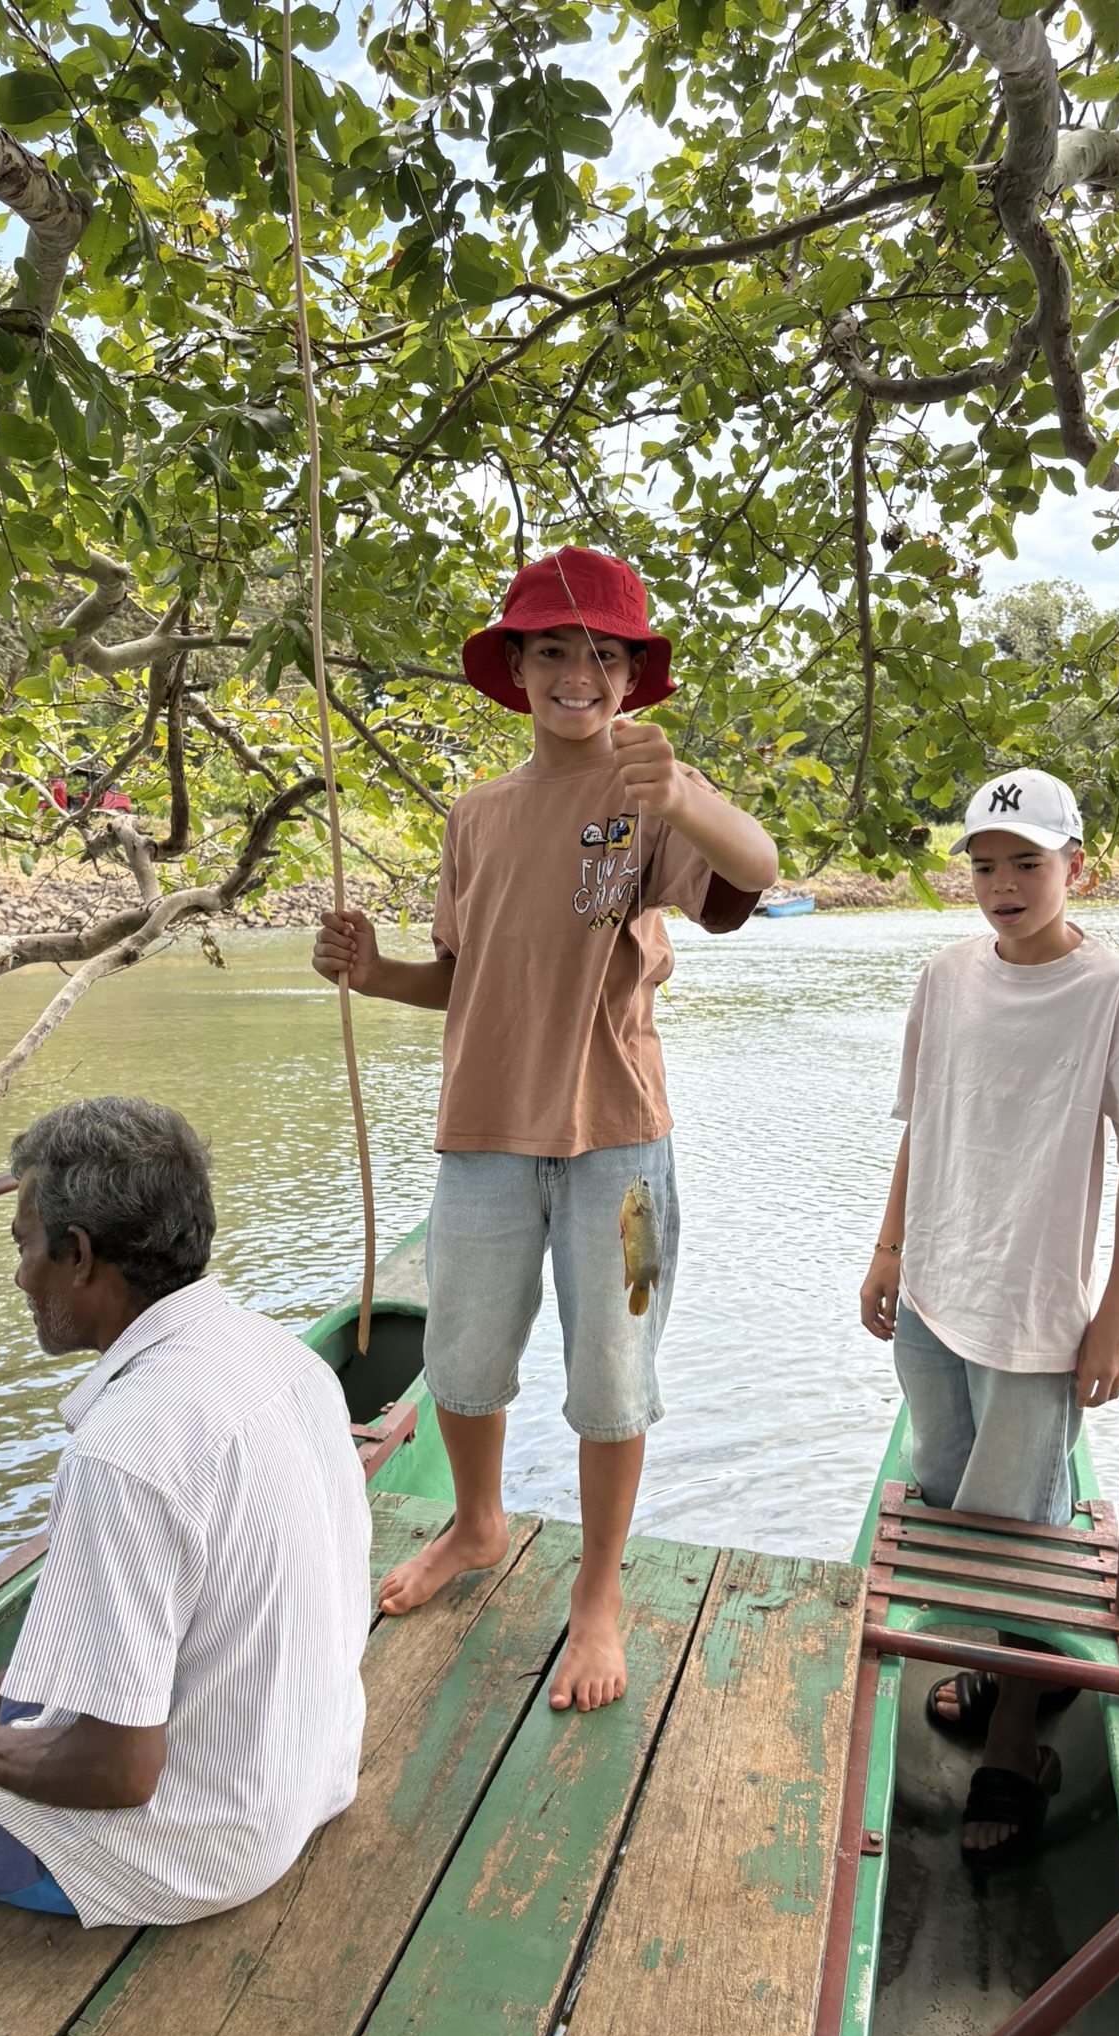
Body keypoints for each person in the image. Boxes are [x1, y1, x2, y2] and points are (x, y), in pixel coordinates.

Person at [314, 548, 777, 1713]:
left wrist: (685, 797)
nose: (581, 672)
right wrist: (376, 975)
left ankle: (600, 1594)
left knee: (612, 1377)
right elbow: (462, 980)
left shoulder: (650, 788)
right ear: (516, 667)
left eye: (606, 654)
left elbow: (756, 871)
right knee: (463, 1364)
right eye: (557, 649)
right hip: (479, 1139)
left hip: (620, 1146)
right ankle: (476, 1527)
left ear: (633, 677)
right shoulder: (474, 816)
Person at [0, 1096, 371, 1928]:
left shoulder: (125, 1448)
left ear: (77, 1255)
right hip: (308, 1772)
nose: (18, 1276)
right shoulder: (281, 1359)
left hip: (198, 1847)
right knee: (12, 1693)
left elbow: (120, 1774)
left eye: (25, 1247)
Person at [859, 769, 1119, 1871]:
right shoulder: (945, 974)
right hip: (938, 1299)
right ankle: (1002, 1669)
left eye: (1027, 861)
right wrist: (890, 1246)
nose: (1002, 883)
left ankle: (1011, 1744)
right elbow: (919, 1120)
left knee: (1022, 1537)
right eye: (984, 863)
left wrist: (1116, 1306)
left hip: (1036, 1313)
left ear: (1075, 865)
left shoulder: (1116, 990)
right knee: (952, 1506)